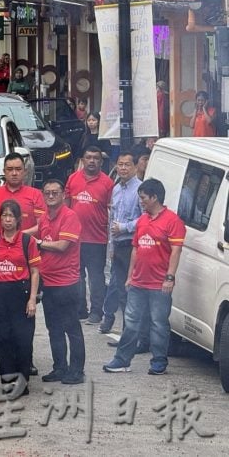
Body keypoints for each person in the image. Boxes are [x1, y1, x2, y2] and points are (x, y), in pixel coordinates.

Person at [103, 178, 186, 375]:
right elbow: (136, 249)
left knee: (158, 323)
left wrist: (169, 277)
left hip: (159, 284)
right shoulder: (142, 220)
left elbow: (176, 251)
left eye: (143, 198)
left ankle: (158, 361)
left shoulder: (173, 221)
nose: (141, 201)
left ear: (154, 197)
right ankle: (122, 360)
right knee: (131, 323)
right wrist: (130, 276)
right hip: (138, 283)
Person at [0, 200, 40, 394]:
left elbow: (35, 271)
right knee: (1, 338)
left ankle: (22, 382)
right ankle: (8, 379)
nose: (7, 220)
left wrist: (32, 299)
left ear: (18, 219)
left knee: (22, 339)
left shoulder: (27, 241)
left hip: (21, 292)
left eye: (11, 216)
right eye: (4, 216)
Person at [35, 178, 85, 384]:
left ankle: (76, 371)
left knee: (71, 327)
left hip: (67, 283)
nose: (51, 195)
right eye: (47, 192)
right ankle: (60, 367)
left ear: (64, 194)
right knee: (53, 328)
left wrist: (38, 243)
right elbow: (34, 233)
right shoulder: (44, 217)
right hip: (48, 282)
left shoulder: (69, 216)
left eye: (55, 192)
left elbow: (63, 245)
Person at [65, 146, 115, 324]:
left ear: (101, 162)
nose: (92, 161)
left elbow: (112, 211)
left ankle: (96, 312)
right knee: (76, 276)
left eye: (96, 158)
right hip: (75, 239)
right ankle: (80, 310)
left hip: (97, 239)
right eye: (88, 157)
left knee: (96, 278)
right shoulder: (72, 179)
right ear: (82, 160)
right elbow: (66, 206)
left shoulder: (108, 183)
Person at [100, 151, 142, 335]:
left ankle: (131, 332)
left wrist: (125, 228)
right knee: (119, 289)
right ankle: (122, 330)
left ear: (135, 167)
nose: (123, 168)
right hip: (117, 246)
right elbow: (112, 220)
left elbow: (146, 219)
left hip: (132, 246)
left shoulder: (140, 190)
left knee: (129, 291)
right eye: (120, 164)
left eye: (127, 165)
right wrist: (111, 245)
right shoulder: (116, 189)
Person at [0, 152, 46, 238]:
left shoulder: (36, 194)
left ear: (25, 171)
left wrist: (20, 236)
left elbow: (42, 225)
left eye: (18, 169)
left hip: (26, 248)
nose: (14, 173)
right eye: (10, 169)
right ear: (4, 172)